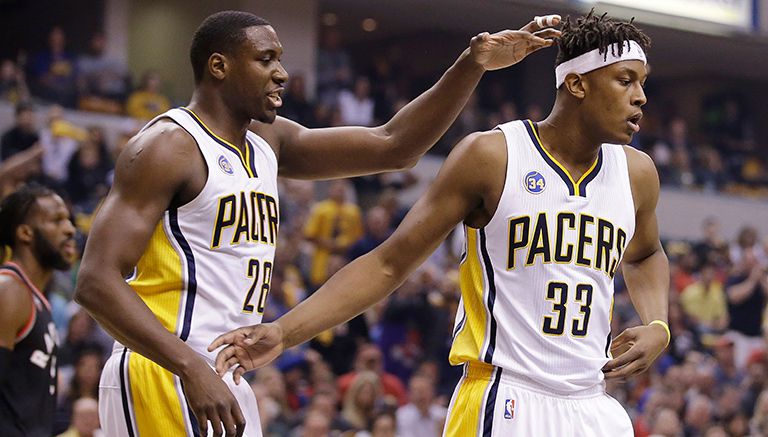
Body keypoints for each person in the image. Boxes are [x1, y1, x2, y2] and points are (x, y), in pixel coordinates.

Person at [73, 9, 561, 437]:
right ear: (218, 66)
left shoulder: (269, 141)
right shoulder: (167, 146)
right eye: (265, 59)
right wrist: (186, 366)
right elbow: (95, 282)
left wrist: (470, 66)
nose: (282, 73)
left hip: (227, 368)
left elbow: (395, 146)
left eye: (280, 59)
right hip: (164, 367)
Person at [210, 12, 670, 436]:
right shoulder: (493, 156)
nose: (640, 96)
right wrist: (284, 332)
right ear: (576, 84)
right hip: (506, 396)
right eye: (624, 80)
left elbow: (646, 254)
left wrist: (658, 324)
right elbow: (390, 263)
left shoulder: (637, 173)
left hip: (594, 404)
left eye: (642, 82)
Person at [0, 184, 77, 436]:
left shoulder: (33, 296)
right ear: (25, 233)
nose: (70, 229)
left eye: (68, 219)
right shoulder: (9, 289)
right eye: (56, 220)